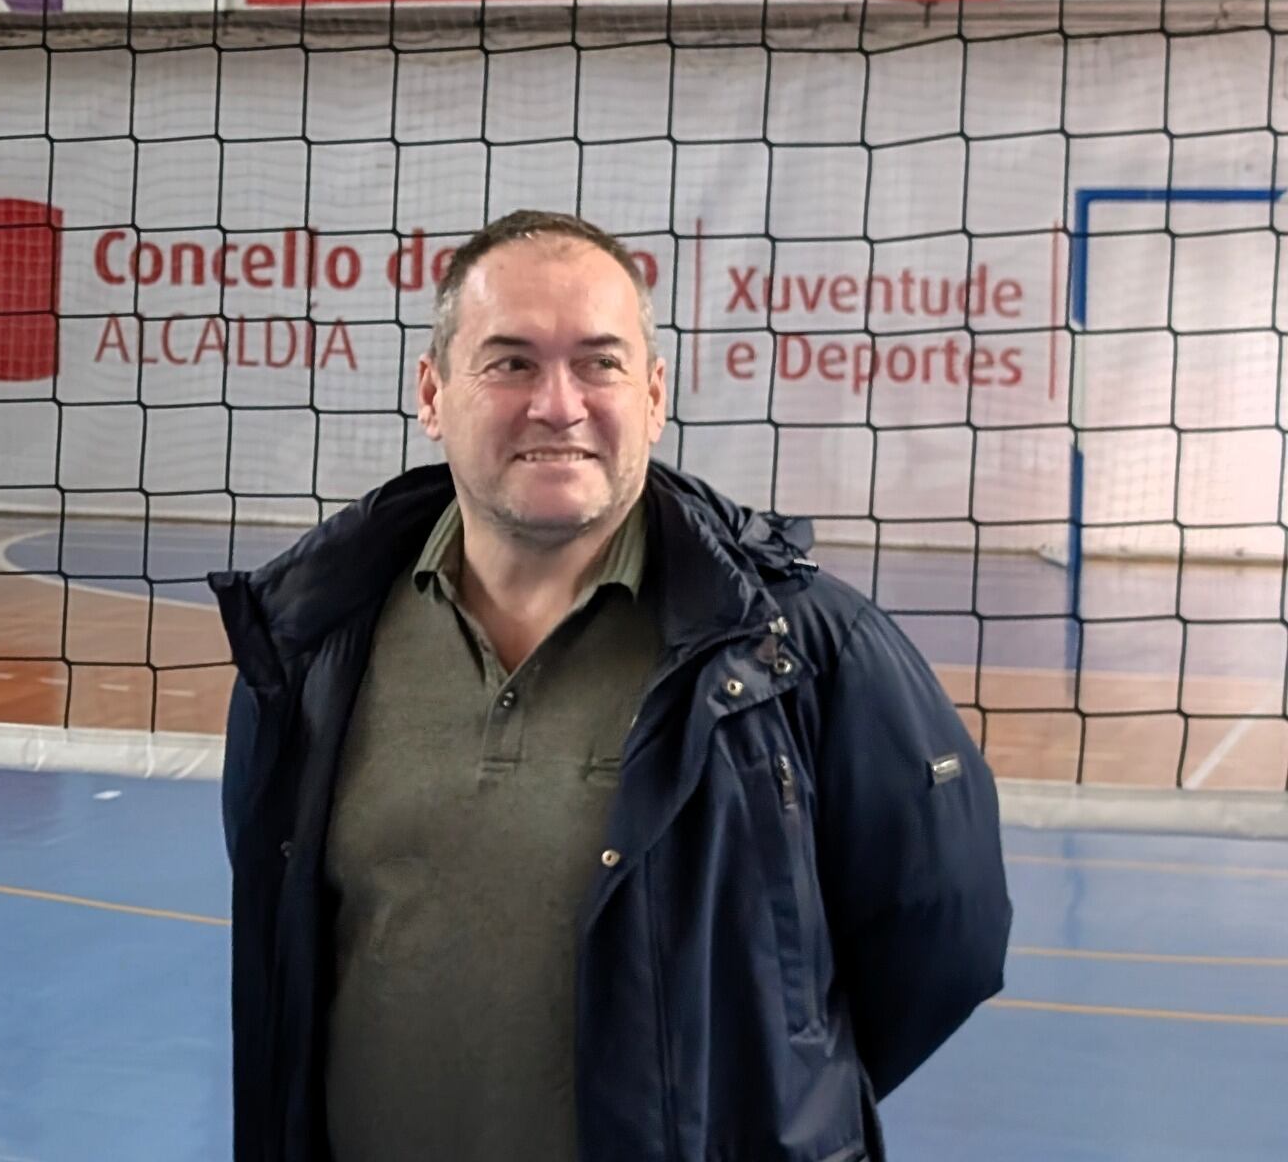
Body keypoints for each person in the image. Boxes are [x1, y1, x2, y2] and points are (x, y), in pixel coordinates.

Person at [210, 209, 1012, 1162]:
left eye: (599, 362)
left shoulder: (799, 650)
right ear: (432, 393)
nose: (559, 404)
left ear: (655, 393)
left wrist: (760, 1100)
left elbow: (942, 939)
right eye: (510, 362)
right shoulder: (313, 646)